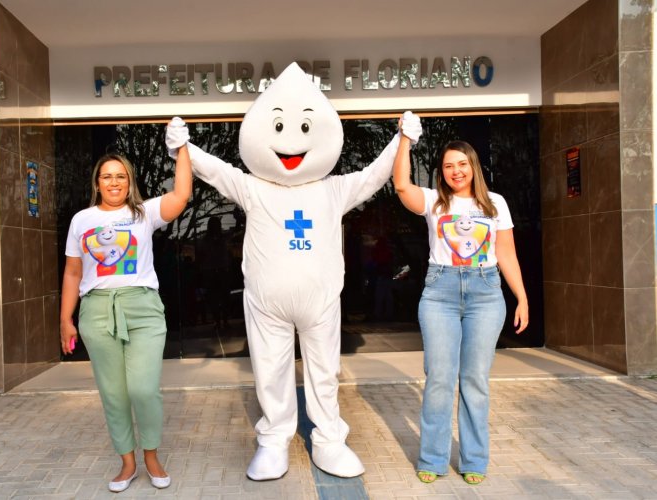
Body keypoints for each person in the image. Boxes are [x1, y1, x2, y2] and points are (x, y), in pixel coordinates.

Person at [165, 62, 423, 480]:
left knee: (325, 372)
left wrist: (402, 141)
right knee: (270, 371)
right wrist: (184, 149)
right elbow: (216, 170)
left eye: (303, 128)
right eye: (279, 127)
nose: (290, 143)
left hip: (320, 303)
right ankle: (274, 439)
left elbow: (375, 176)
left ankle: (329, 439)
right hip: (267, 305)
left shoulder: (333, 188)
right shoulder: (254, 186)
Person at [392, 137, 528, 485]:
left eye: (461, 164)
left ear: (473, 166)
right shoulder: (435, 202)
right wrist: (405, 140)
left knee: (474, 380)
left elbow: (507, 254)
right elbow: (401, 185)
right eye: (449, 165)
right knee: (439, 378)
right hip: (440, 294)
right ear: (443, 171)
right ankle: (433, 458)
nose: (456, 171)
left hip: (486, 293)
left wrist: (522, 298)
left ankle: (475, 460)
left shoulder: (495, 203)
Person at [59, 144, 191, 493]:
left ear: (129, 181)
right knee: (114, 394)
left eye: (120, 176)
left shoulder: (144, 213)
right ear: (97, 183)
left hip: (143, 309)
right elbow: (73, 273)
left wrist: (181, 149)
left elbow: (181, 194)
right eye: (107, 177)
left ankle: (151, 456)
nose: (114, 182)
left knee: (143, 389)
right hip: (97, 311)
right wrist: (65, 320)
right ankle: (127, 463)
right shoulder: (81, 221)